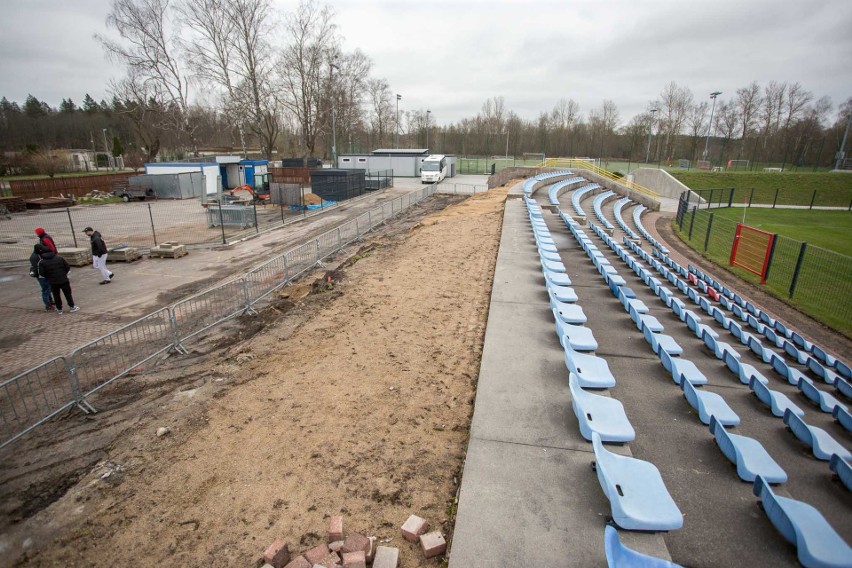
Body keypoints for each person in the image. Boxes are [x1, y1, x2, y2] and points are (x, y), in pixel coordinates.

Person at [37, 248, 79, 314]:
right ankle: (72, 307)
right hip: (64, 280)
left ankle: (59, 309)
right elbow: (67, 267)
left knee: (56, 295)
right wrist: (63, 274)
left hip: (53, 282)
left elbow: (41, 273)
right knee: (68, 294)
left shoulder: (41, 262)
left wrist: (48, 277)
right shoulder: (59, 258)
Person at [29, 243, 55, 311]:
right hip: (41, 277)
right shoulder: (34, 257)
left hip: (45, 275)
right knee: (45, 290)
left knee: (48, 288)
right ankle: (48, 305)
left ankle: (50, 301)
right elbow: (37, 268)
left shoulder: (39, 253)